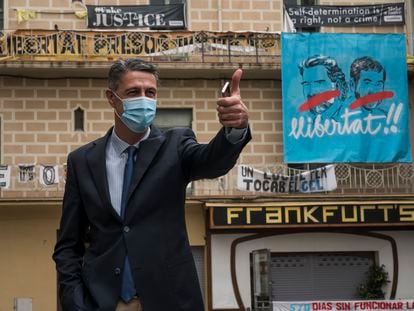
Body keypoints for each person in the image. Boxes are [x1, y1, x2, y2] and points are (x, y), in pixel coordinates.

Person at [53, 58, 250, 311]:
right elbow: (69, 245)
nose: (144, 99)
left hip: (168, 300)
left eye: (151, 92)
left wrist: (235, 129)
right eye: (133, 92)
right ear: (112, 98)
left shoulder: (176, 145)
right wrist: (74, 302)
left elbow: (212, 162)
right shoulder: (82, 161)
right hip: (103, 302)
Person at [298, 55, 349, 122]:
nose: (311, 92)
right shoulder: (308, 121)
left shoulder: (347, 116)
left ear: (337, 85)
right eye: (306, 84)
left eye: (319, 83)